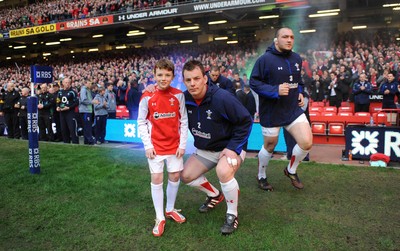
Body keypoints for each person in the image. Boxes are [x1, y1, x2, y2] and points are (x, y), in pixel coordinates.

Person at [180, 60, 252, 235]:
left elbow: (245, 121)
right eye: (188, 80)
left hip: (229, 147)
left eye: (196, 78)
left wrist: (233, 147)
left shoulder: (222, 97)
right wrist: (151, 90)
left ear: (205, 79)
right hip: (206, 149)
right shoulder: (183, 99)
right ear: (184, 81)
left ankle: (232, 214)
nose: (192, 83)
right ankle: (214, 195)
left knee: (223, 172)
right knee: (186, 176)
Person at [250, 27, 313, 191]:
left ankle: (291, 170)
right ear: (276, 40)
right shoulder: (264, 60)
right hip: (271, 112)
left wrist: (300, 92)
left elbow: (299, 81)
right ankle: (261, 176)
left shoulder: (297, 58)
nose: (289, 40)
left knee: (306, 142)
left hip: (292, 109)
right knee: (270, 146)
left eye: (292, 37)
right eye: (285, 37)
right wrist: (274, 91)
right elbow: (254, 83)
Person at [137, 59, 188, 237]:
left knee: (174, 175)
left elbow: (184, 121)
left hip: (174, 146)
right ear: (154, 75)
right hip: (156, 147)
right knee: (157, 178)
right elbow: (141, 122)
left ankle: (170, 209)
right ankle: (160, 217)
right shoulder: (147, 96)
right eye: (160, 75)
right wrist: (147, 145)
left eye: (167, 75)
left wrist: (182, 145)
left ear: (173, 76)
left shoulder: (179, 95)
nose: (163, 78)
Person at [56, 78, 79, 144]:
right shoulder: (60, 92)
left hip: (70, 113)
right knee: (64, 129)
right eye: (65, 82)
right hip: (62, 113)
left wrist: (69, 107)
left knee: (72, 128)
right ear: (63, 83)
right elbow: (58, 101)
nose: (67, 84)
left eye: (68, 82)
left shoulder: (73, 92)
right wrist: (57, 106)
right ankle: (66, 143)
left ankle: (75, 143)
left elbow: (76, 102)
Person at [78, 80, 95, 145]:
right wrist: (92, 102)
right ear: (85, 83)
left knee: (87, 125)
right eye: (89, 83)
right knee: (87, 126)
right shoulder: (83, 90)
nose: (90, 84)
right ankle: (89, 140)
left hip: (88, 110)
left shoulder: (88, 90)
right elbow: (83, 100)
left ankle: (87, 140)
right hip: (85, 110)